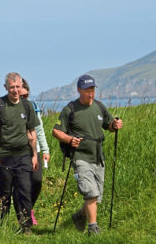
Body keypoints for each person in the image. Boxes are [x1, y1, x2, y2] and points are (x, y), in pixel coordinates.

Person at [52, 74, 123, 235]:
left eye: (92, 90)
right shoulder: (70, 109)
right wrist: (70, 140)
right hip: (80, 157)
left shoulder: (99, 106)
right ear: (79, 90)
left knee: (97, 198)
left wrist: (115, 125)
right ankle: (93, 228)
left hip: (98, 157)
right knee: (91, 193)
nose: (90, 93)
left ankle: (79, 216)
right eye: (86, 90)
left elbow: (109, 126)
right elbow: (56, 131)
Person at [0, 72, 39, 235]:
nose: (15, 90)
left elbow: (32, 132)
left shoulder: (27, 105)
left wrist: (34, 155)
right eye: (12, 87)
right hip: (4, 155)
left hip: (23, 155)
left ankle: (25, 226)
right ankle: (1, 223)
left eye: (18, 87)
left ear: (22, 86)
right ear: (6, 87)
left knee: (24, 190)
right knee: (6, 191)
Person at [20, 79, 50, 225]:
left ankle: (29, 208)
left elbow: (39, 130)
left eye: (25, 96)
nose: (23, 99)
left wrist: (45, 150)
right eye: (21, 96)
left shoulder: (33, 107)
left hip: (35, 149)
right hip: (18, 151)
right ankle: (24, 214)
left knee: (37, 181)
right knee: (23, 184)